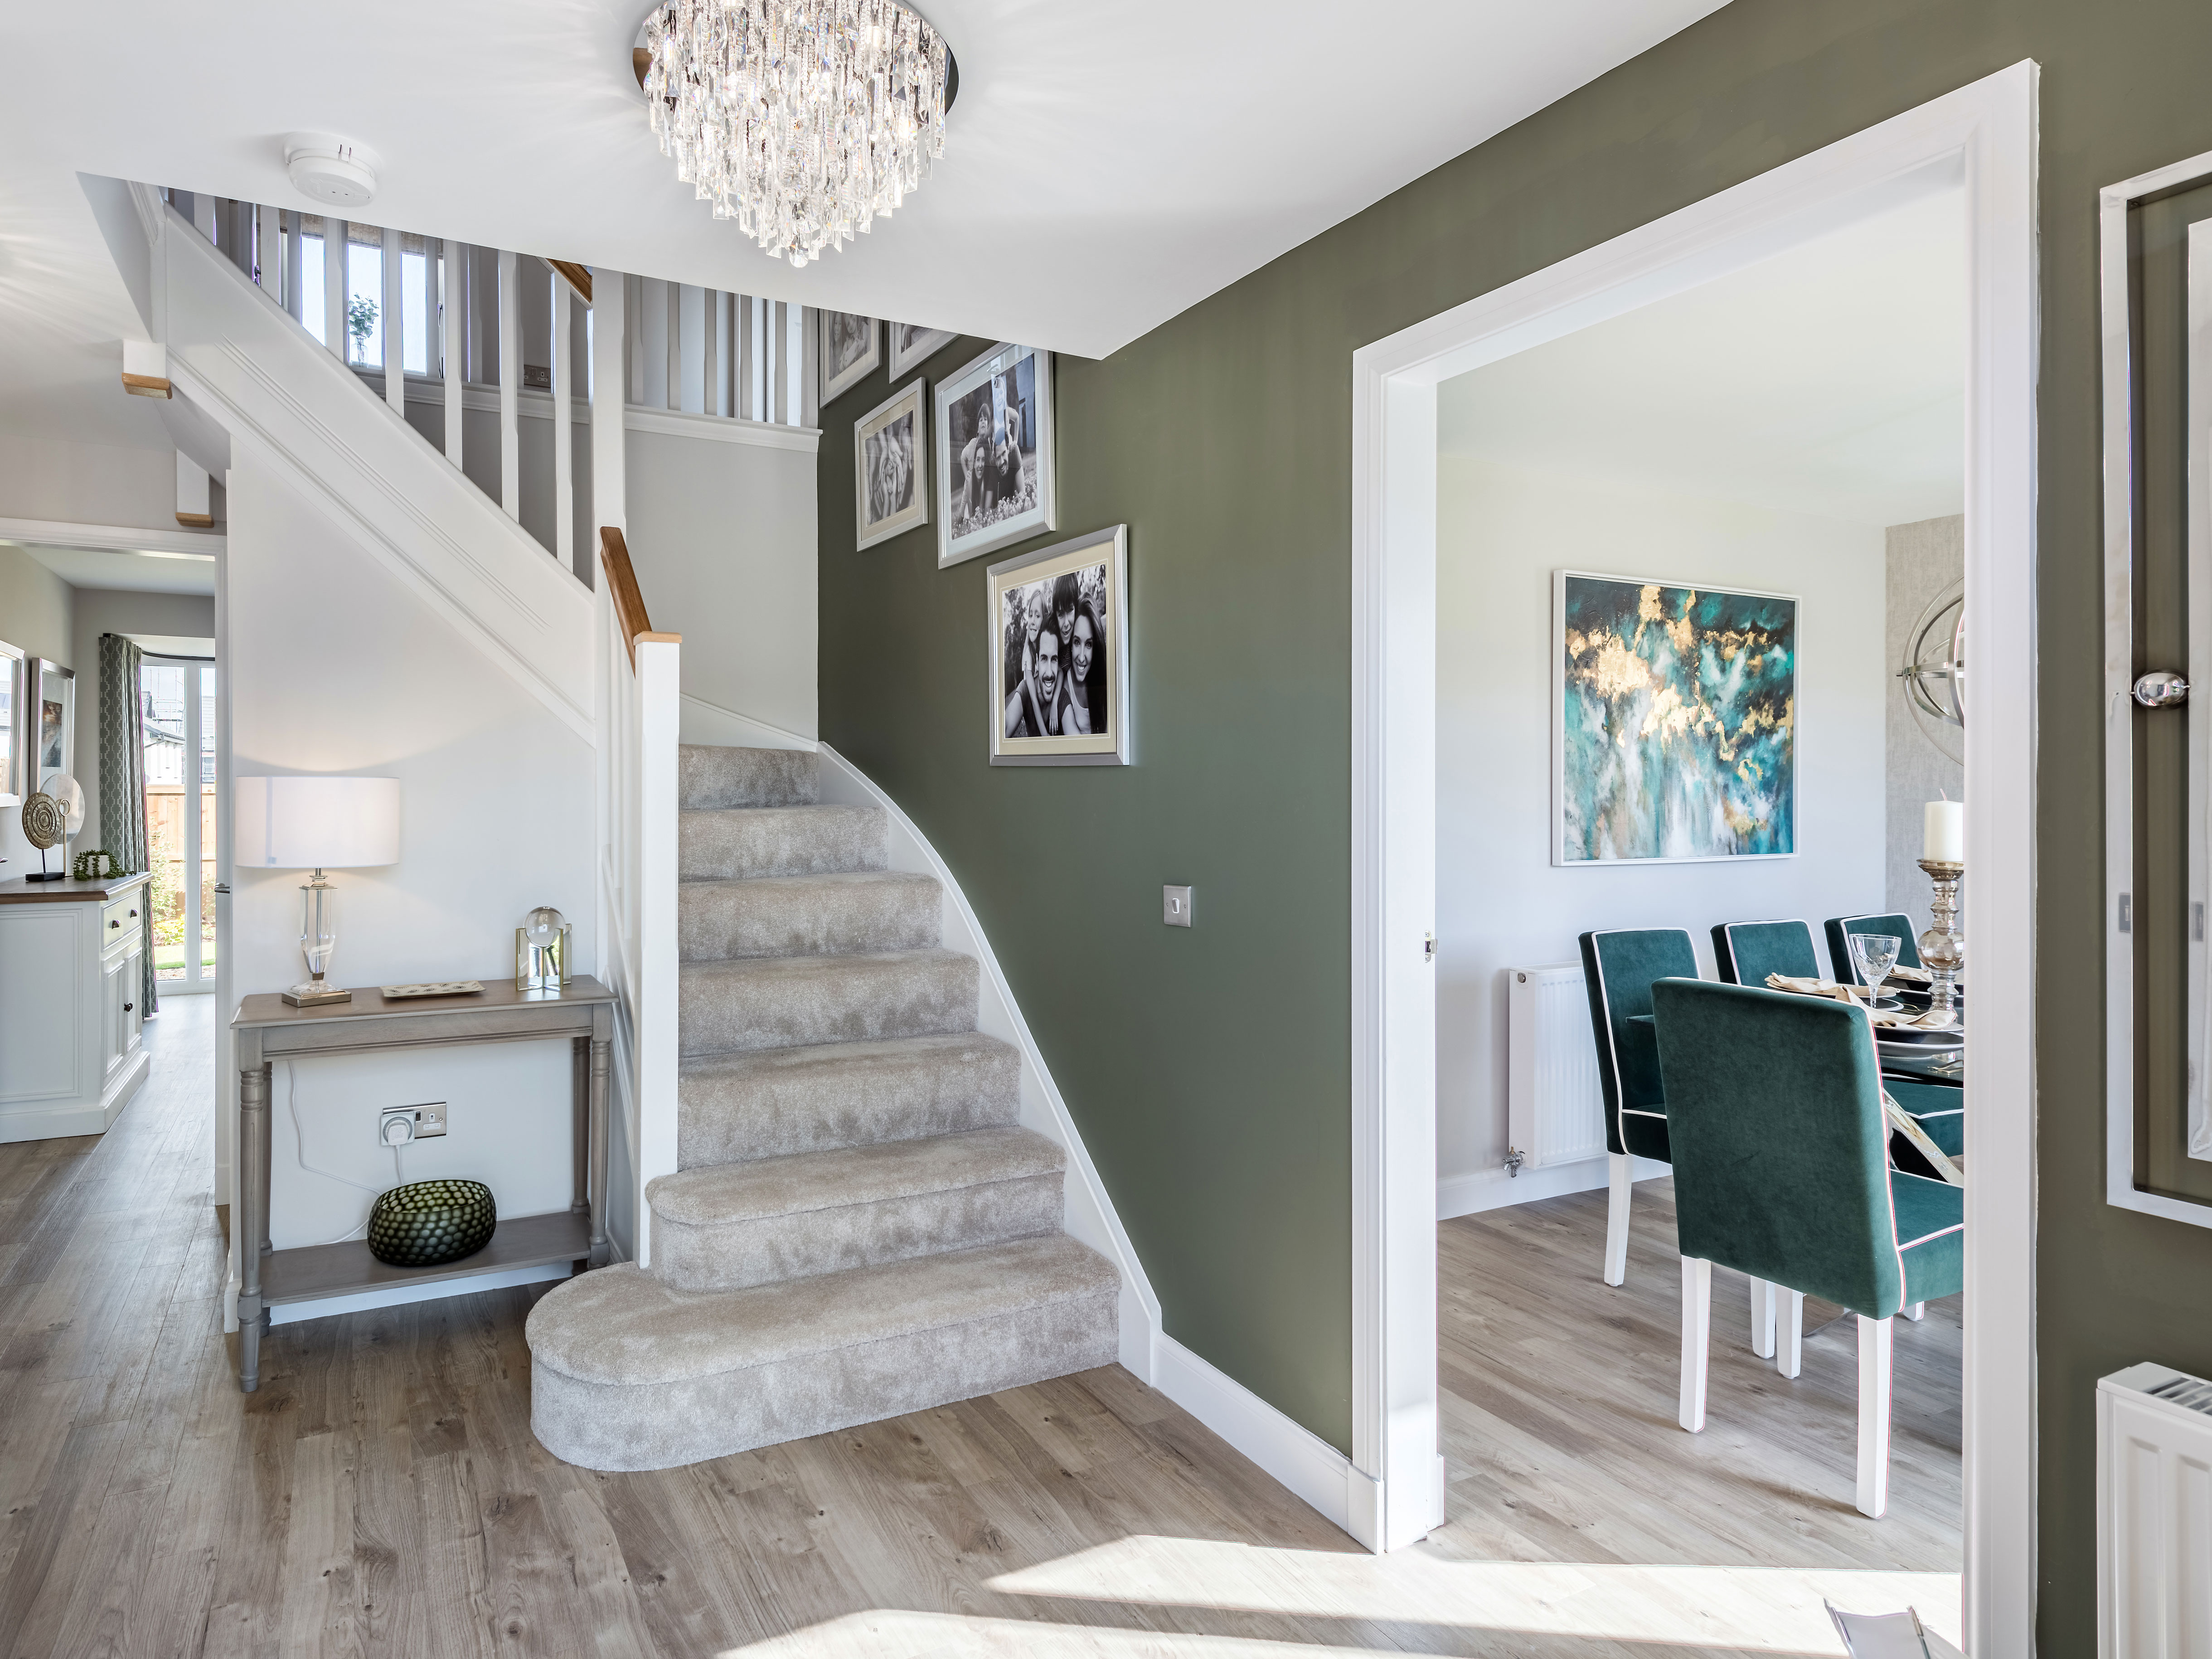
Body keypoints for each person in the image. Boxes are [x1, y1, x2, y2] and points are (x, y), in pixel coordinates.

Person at [1004, 619, 1064, 738]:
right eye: (1043, 659)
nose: (1049, 672)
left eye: (1054, 659)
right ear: (1036, 661)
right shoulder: (1026, 690)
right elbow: (1005, 724)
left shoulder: (1063, 692)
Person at [1066, 599, 1107, 735]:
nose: (1082, 657)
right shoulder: (1066, 686)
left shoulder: (1106, 680)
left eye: (1089, 644)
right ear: (1071, 644)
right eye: (1077, 642)